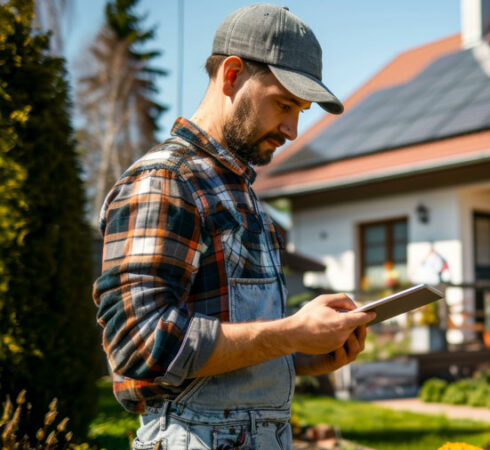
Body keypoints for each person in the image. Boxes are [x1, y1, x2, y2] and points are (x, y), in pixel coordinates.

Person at [92, 4, 375, 448]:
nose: (292, 129)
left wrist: (299, 354)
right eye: (284, 104)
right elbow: (140, 344)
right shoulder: (167, 180)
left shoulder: (238, 191)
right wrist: (288, 332)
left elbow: (231, 340)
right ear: (232, 75)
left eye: (300, 110)